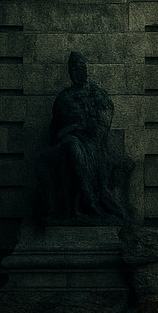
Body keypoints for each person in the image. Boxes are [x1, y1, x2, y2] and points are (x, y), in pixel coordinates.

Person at [35, 52, 124, 223]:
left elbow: (103, 123)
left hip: (92, 144)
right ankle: (85, 199)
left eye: (81, 68)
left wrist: (86, 129)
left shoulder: (97, 94)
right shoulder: (63, 98)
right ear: (70, 72)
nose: (78, 72)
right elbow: (54, 130)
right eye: (74, 69)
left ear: (86, 70)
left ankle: (89, 199)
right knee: (69, 145)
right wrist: (71, 129)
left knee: (74, 145)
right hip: (68, 142)